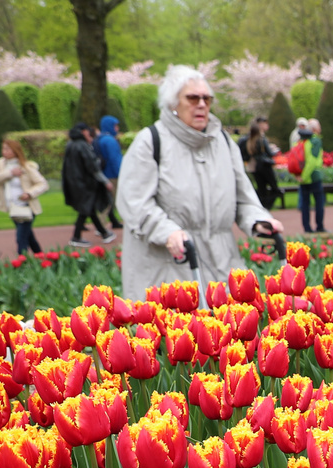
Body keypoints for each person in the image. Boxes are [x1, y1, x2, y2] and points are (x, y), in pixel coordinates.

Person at [115, 65, 278, 300]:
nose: (201, 104)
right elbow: (134, 203)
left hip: (222, 263)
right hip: (168, 267)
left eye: (206, 99)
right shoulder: (150, 142)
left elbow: (243, 197)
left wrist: (258, 220)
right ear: (173, 103)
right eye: (192, 98)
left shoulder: (223, 141)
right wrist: (167, 232)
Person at [0, 138, 48, 256]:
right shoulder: (0, 164)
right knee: (29, 237)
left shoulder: (26, 166)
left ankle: (21, 265)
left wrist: (29, 193)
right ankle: (42, 259)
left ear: (15, 151)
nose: (4, 151)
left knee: (21, 238)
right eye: (3, 148)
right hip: (12, 207)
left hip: (26, 207)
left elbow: (43, 184)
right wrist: (10, 173)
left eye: (7, 149)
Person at [63, 123, 115, 246]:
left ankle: (104, 233)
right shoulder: (82, 145)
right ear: (83, 132)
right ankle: (76, 237)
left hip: (73, 181)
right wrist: (105, 181)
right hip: (84, 182)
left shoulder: (70, 144)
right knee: (85, 209)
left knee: (89, 208)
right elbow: (92, 167)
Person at [295, 118, 325, 233]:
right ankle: (319, 226)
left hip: (302, 178)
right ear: (313, 129)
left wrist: (299, 175)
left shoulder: (300, 141)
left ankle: (307, 228)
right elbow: (312, 161)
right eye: (318, 127)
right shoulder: (315, 141)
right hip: (313, 176)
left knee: (305, 204)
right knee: (319, 203)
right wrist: (305, 176)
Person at [95, 115, 124, 227]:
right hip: (112, 175)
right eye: (115, 126)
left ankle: (106, 223)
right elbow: (115, 159)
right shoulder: (110, 140)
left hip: (103, 174)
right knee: (115, 201)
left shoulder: (100, 138)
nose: (117, 128)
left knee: (107, 200)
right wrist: (121, 174)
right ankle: (101, 226)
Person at [246, 117, 281, 210]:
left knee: (262, 190)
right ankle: (266, 207)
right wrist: (275, 151)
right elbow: (269, 153)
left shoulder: (250, 139)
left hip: (256, 166)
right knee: (275, 189)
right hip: (265, 165)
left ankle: (261, 208)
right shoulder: (261, 138)